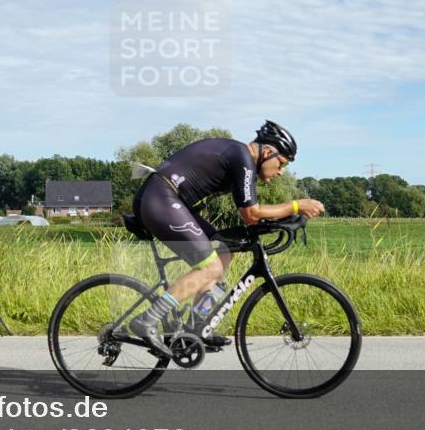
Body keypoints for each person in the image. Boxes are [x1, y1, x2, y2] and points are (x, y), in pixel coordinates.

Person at [128, 120, 325, 357]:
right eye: (281, 163)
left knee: (224, 252)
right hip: (161, 198)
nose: (281, 171)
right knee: (210, 267)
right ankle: (147, 320)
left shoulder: (241, 159)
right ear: (268, 152)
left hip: (171, 201)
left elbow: (251, 215)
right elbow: (252, 214)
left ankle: (194, 327)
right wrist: (295, 206)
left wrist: (285, 220)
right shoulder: (243, 158)